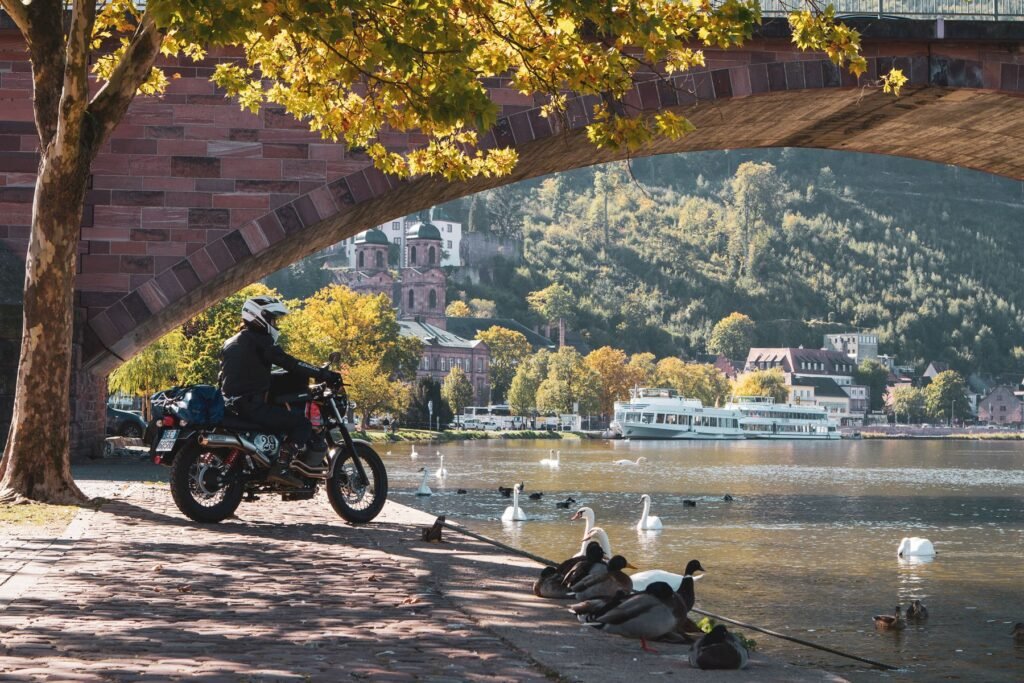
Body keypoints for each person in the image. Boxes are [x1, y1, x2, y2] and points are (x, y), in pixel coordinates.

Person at [219, 296, 341, 487]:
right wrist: (323, 374)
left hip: (230, 405)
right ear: (260, 317)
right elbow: (290, 363)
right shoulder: (262, 341)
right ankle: (282, 467)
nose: (275, 324)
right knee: (302, 424)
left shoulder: (230, 342)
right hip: (253, 406)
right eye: (272, 319)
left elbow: (235, 375)